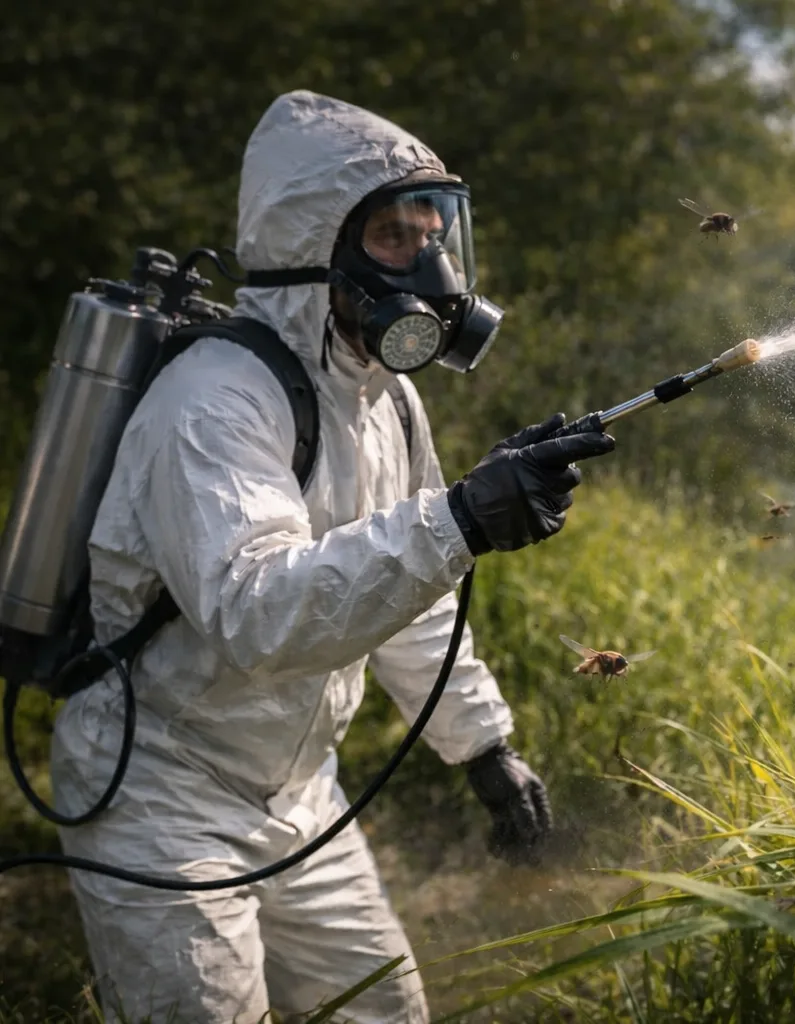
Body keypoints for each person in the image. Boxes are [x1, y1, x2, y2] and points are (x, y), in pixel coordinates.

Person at [47, 89, 614, 1023]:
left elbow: (411, 594)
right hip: (160, 792)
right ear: (316, 249)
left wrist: (482, 747)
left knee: (384, 1012)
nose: (431, 267)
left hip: (301, 791)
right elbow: (257, 614)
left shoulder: (384, 396)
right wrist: (463, 518)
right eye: (394, 237)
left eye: (434, 234)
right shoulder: (215, 399)